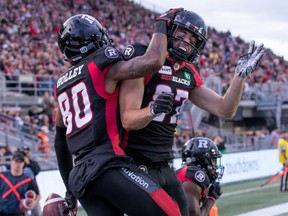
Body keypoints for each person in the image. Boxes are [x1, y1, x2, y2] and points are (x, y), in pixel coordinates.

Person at [119, 9, 265, 216]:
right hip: (135, 160)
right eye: (182, 33)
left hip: (164, 162)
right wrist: (152, 110)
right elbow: (128, 120)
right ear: (170, 31)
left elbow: (225, 109)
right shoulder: (144, 58)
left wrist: (239, 77)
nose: (186, 41)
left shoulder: (188, 72)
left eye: (192, 38)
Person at [54, 11, 183, 216]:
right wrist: (161, 25)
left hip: (80, 178)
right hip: (107, 165)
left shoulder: (62, 84)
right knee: (172, 212)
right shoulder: (101, 66)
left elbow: (60, 141)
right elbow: (153, 62)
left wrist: (70, 192)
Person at [176, 137, 224, 216]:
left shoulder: (186, 173)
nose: (215, 165)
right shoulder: (192, 176)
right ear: (203, 160)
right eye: (213, 160)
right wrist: (212, 198)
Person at [20, 146, 42, 216]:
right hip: (22, 190)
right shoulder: (20, 163)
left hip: (33, 189)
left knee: (36, 211)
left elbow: (37, 170)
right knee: (23, 212)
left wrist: (29, 163)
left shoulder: (32, 162)